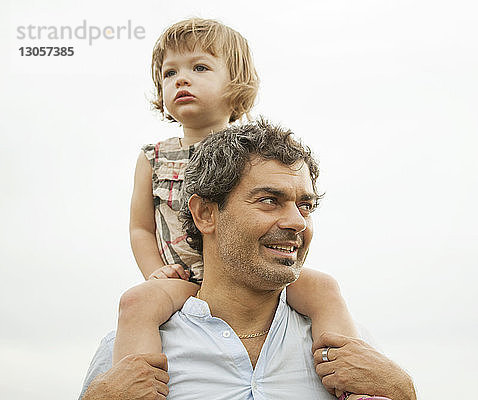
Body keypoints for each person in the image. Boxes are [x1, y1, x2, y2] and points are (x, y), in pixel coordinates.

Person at [115, 17, 363, 396]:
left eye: (199, 68)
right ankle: (136, 386)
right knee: (136, 304)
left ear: (236, 85)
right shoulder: (153, 158)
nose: (181, 79)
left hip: (252, 273)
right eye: (169, 73)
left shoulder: (253, 152)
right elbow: (140, 228)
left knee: (323, 288)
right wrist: (157, 274)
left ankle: (352, 377)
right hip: (184, 278)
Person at [79, 121, 416, 399]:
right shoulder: (127, 351)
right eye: (270, 200)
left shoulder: (350, 346)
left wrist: (405, 393)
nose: (298, 222)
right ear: (206, 214)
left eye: (305, 206)